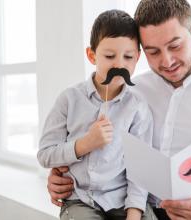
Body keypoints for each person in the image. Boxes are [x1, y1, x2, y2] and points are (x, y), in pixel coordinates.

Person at [46, 0, 191, 219]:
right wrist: (62, 176)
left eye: (175, 46)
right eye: (152, 52)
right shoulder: (129, 93)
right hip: (138, 209)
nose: (167, 61)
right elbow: (100, 151)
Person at [37, 9, 157, 220]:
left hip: (124, 200)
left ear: (137, 57)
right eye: (109, 56)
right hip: (80, 199)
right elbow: (45, 154)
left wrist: (134, 213)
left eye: (128, 57)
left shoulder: (138, 108)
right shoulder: (69, 99)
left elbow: (140, 171)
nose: (119, 64)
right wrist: (85, 144)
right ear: (92, 55)